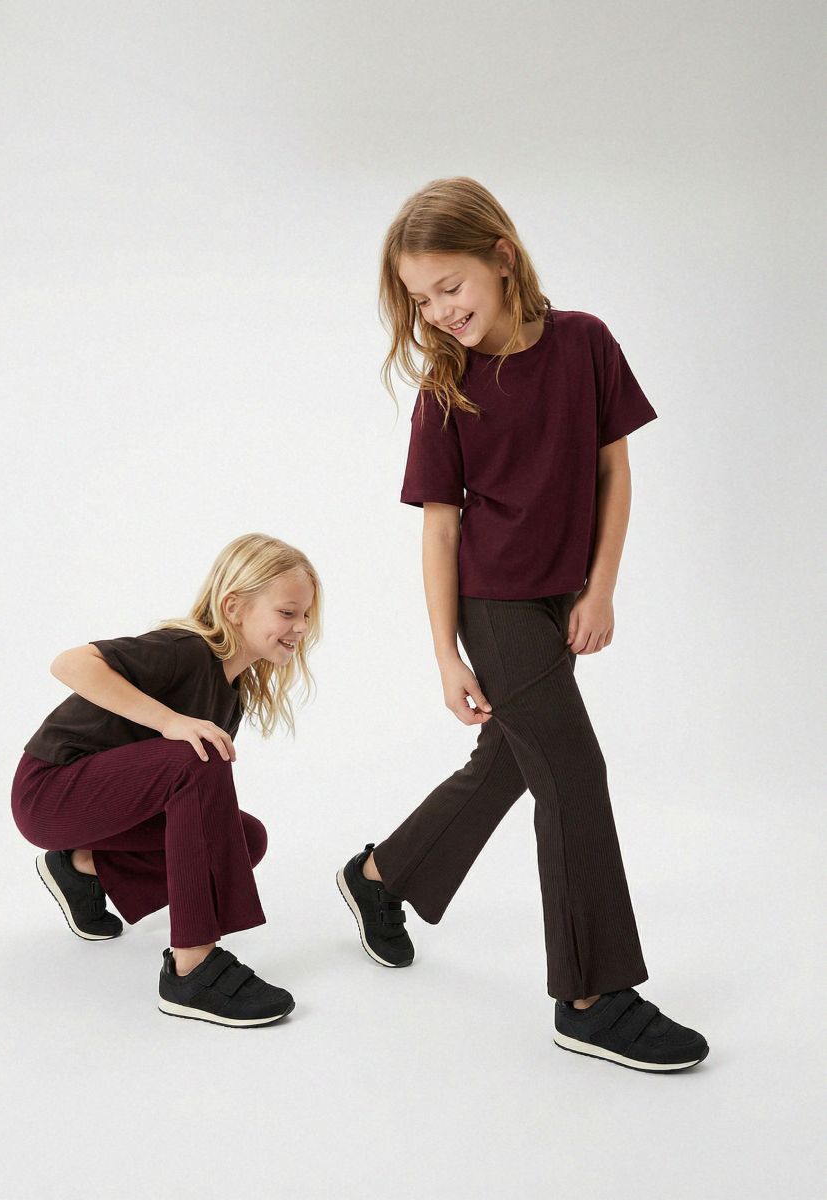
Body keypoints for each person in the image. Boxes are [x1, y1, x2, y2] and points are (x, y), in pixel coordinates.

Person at [336, 177, 709, 1072]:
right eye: (421, 299)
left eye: (450, 286)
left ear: (502, 257)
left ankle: (380, 876)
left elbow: (613, 471)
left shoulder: (585, 342)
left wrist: (600, 588)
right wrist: (444, 652)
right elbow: (439, 528)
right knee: (572, 774)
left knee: (511, 761)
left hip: (558, 595)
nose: (439, 311)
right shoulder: (445, 390)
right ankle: (591, 997)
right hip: (494, 606)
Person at [12, 532, 320, 1028]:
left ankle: (84, 866)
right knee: (198, 756)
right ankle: (192, 968)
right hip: (49, 792)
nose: (301, 626)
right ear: (234, 607)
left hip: (97, 810)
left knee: (244, 839)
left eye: (305, 614)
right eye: (287, 612)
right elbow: (70, 663)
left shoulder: (231, 693)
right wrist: (169, 721)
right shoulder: (185, 650)